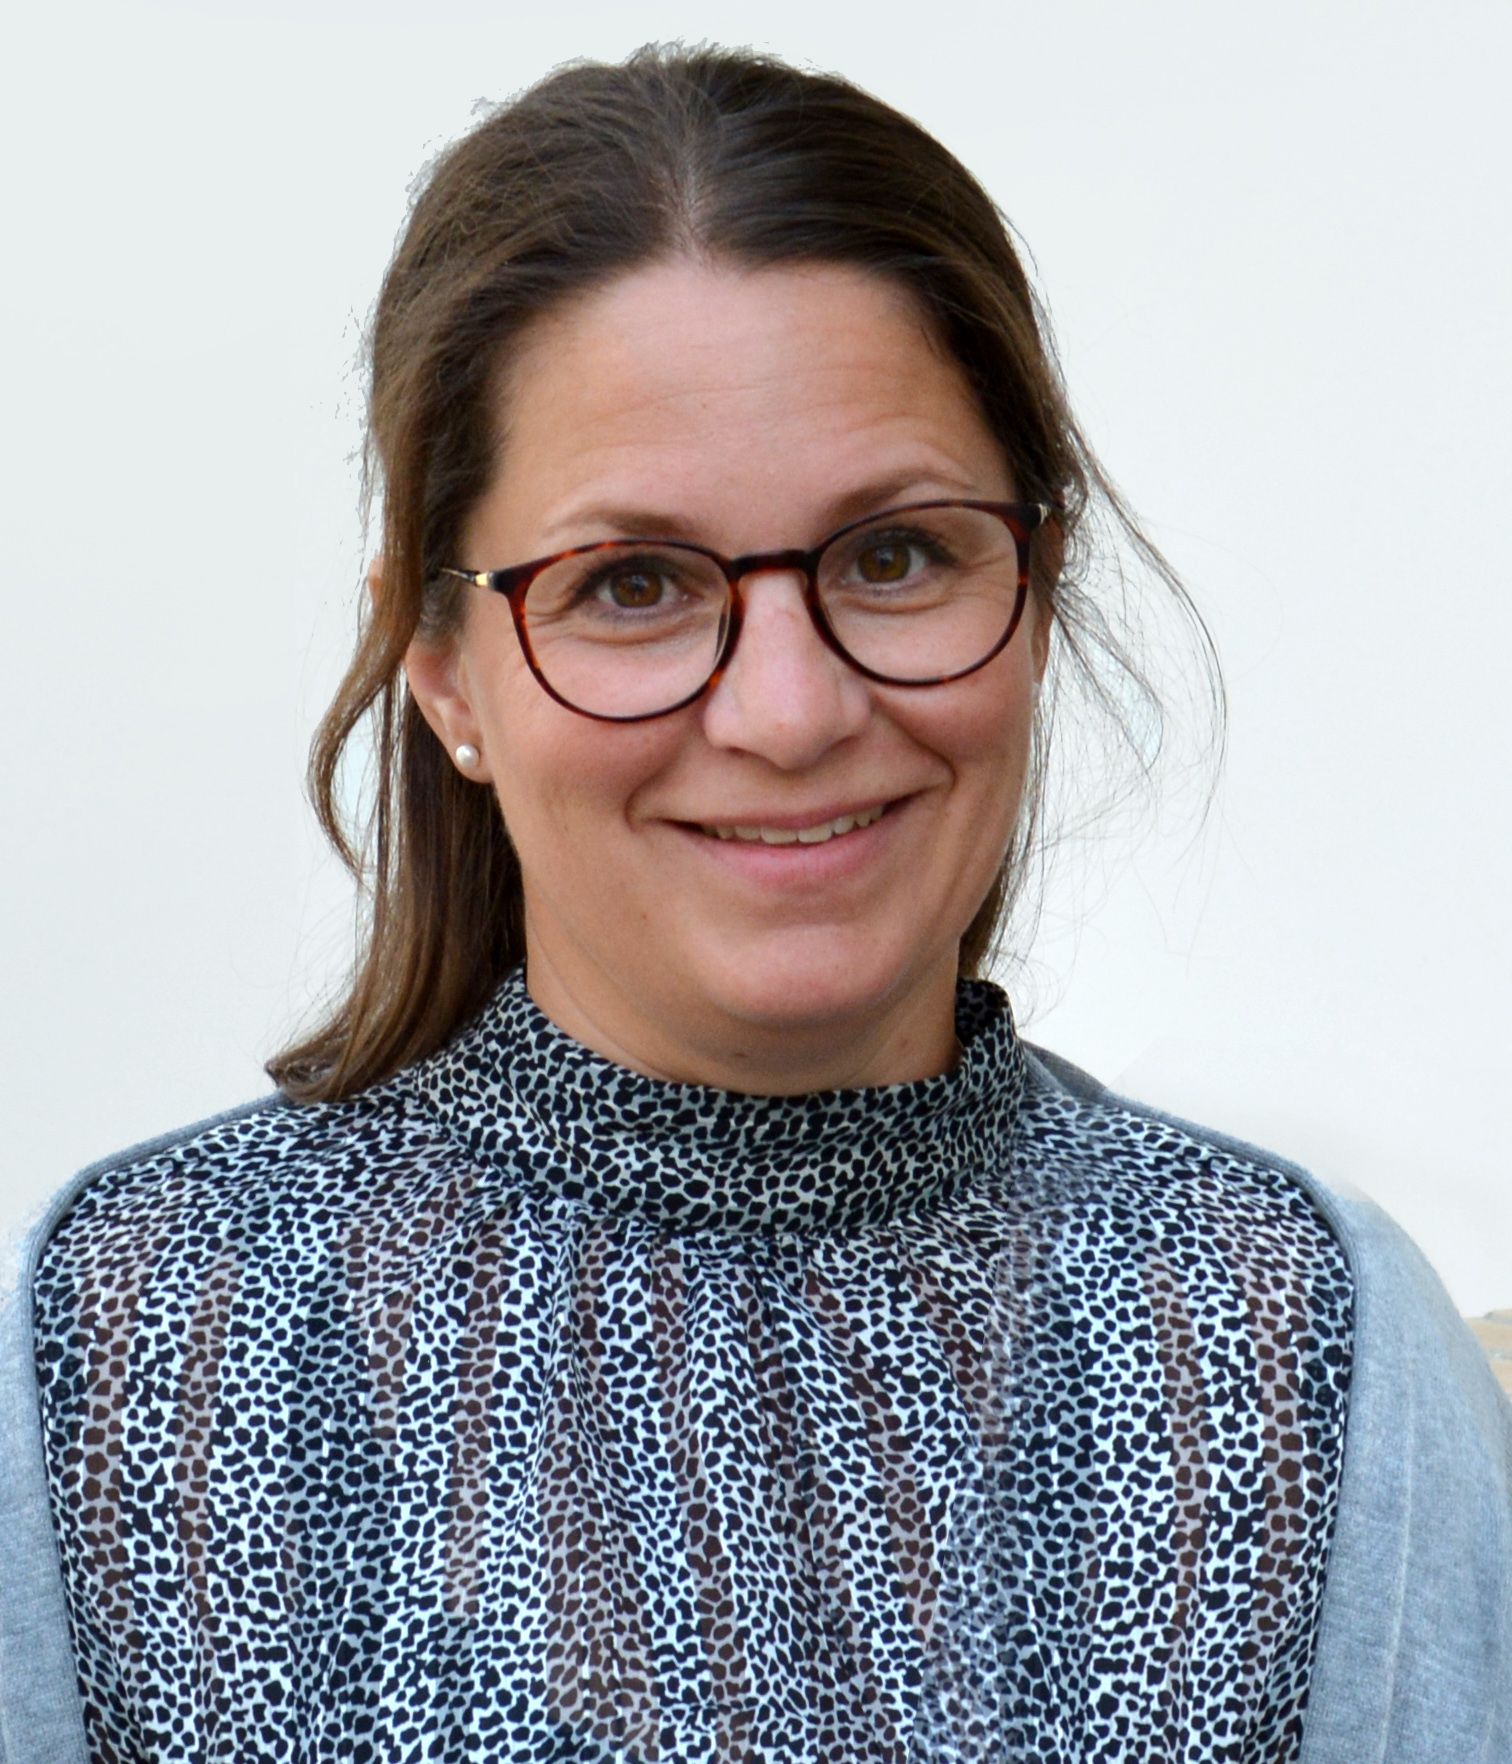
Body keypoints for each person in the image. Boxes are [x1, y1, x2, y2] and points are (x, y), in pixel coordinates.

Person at [2, 45, 1508, 1764]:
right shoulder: (128, 1345)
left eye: (896, 555)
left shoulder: (1300, 1338)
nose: (788, 713)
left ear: (1037, 586)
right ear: (442, 669)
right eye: (633, 583)